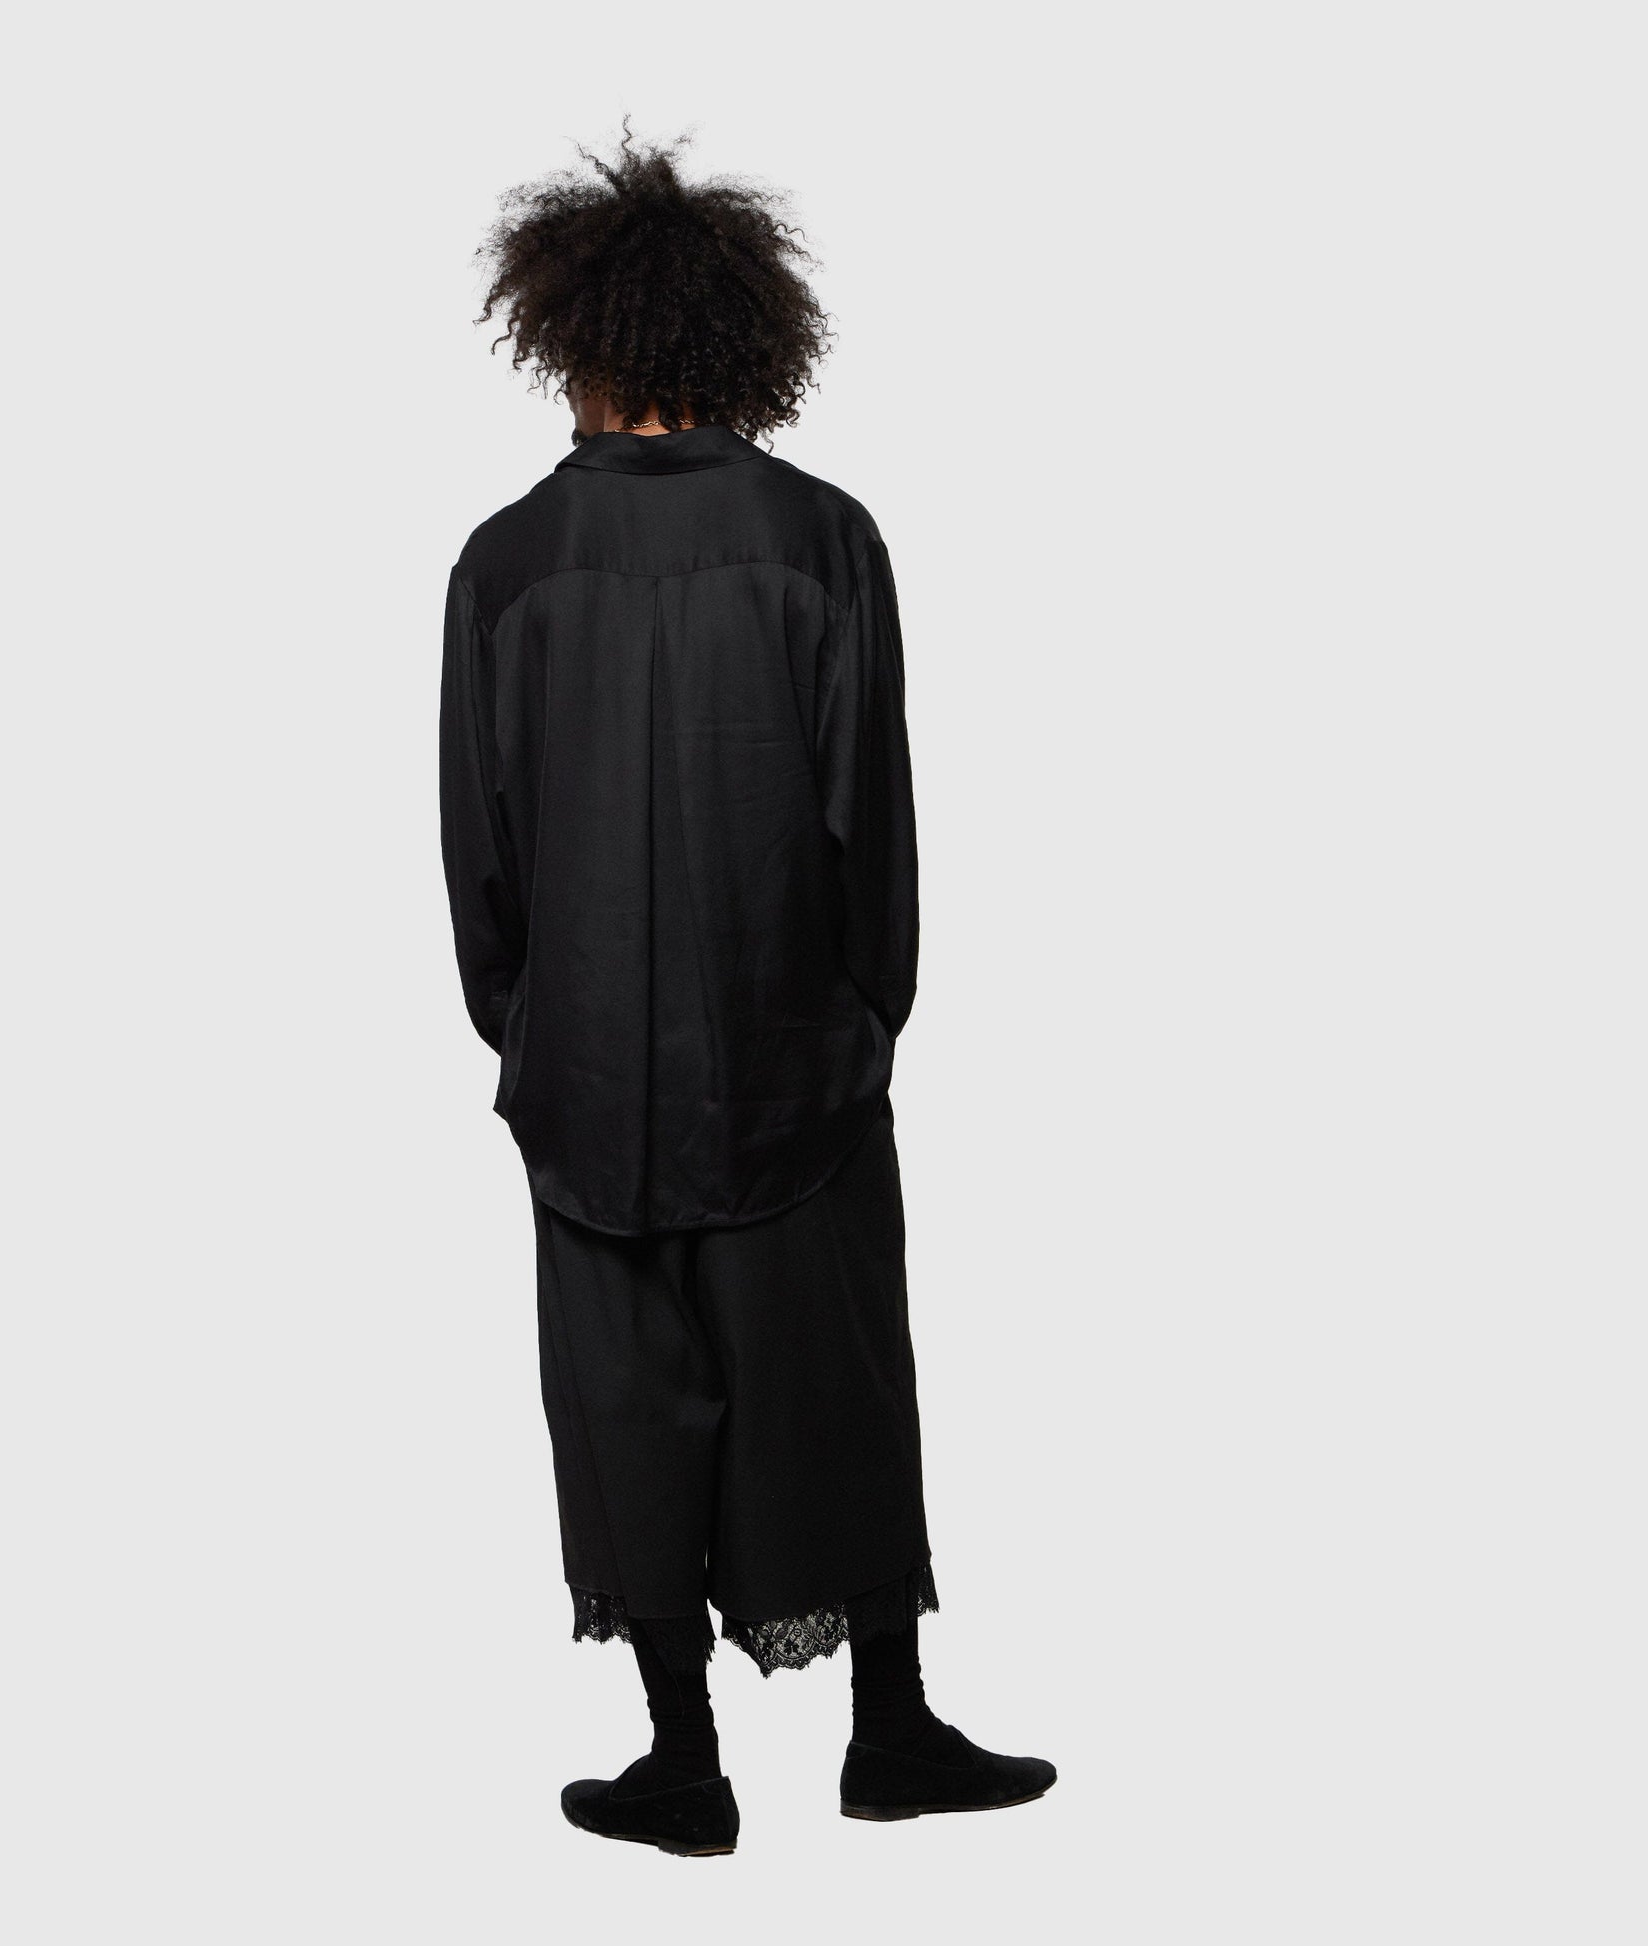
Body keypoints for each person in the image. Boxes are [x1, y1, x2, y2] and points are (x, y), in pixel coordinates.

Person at [439, 127, 1054, 1857]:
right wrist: (863, 1019)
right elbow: (874, 818)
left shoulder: (503, 563)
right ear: (737, 337)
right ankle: (889, 1730)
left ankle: (681, 1760)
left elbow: (477, 849)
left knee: (626, 1400)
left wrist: (531, 1031)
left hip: (586, 1078)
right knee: (834, 1383)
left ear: (571, 332)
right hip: (797, 1057)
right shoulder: (820, 535)